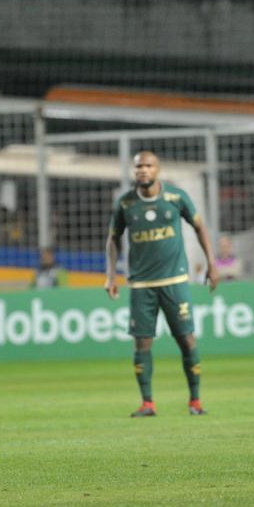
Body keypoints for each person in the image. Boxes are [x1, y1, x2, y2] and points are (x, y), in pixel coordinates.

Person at [105, 150, 218, 417]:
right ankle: (147, 403)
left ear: (158, 170)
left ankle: (195, 401)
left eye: (148, 165)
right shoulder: (125, 204)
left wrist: (212, 264)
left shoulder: (176, 198)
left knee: (186, 339)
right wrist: (111, 275)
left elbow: (200, 227)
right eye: (138, 166)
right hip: (141, 285)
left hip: (175, 280)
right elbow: (113, 239)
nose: (143, 170)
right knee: (141, 343)